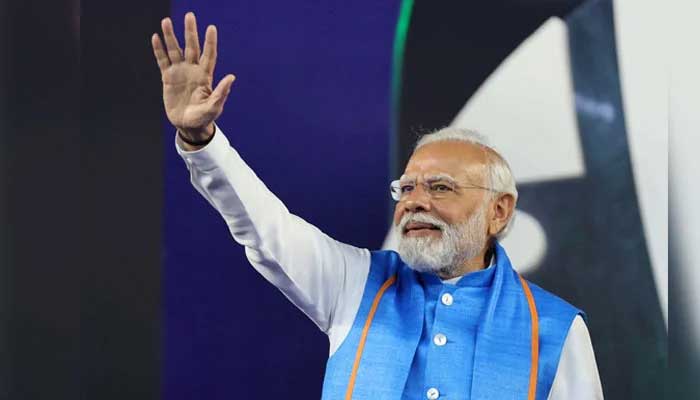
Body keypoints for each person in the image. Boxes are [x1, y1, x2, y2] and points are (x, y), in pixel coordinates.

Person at [152, 12, 604, 400]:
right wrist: (202, 141)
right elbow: (267, 229)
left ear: (500, 212)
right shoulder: (355, 285)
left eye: (440, 188)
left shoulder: (555, 329)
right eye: (405, 189)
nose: (415, 203)